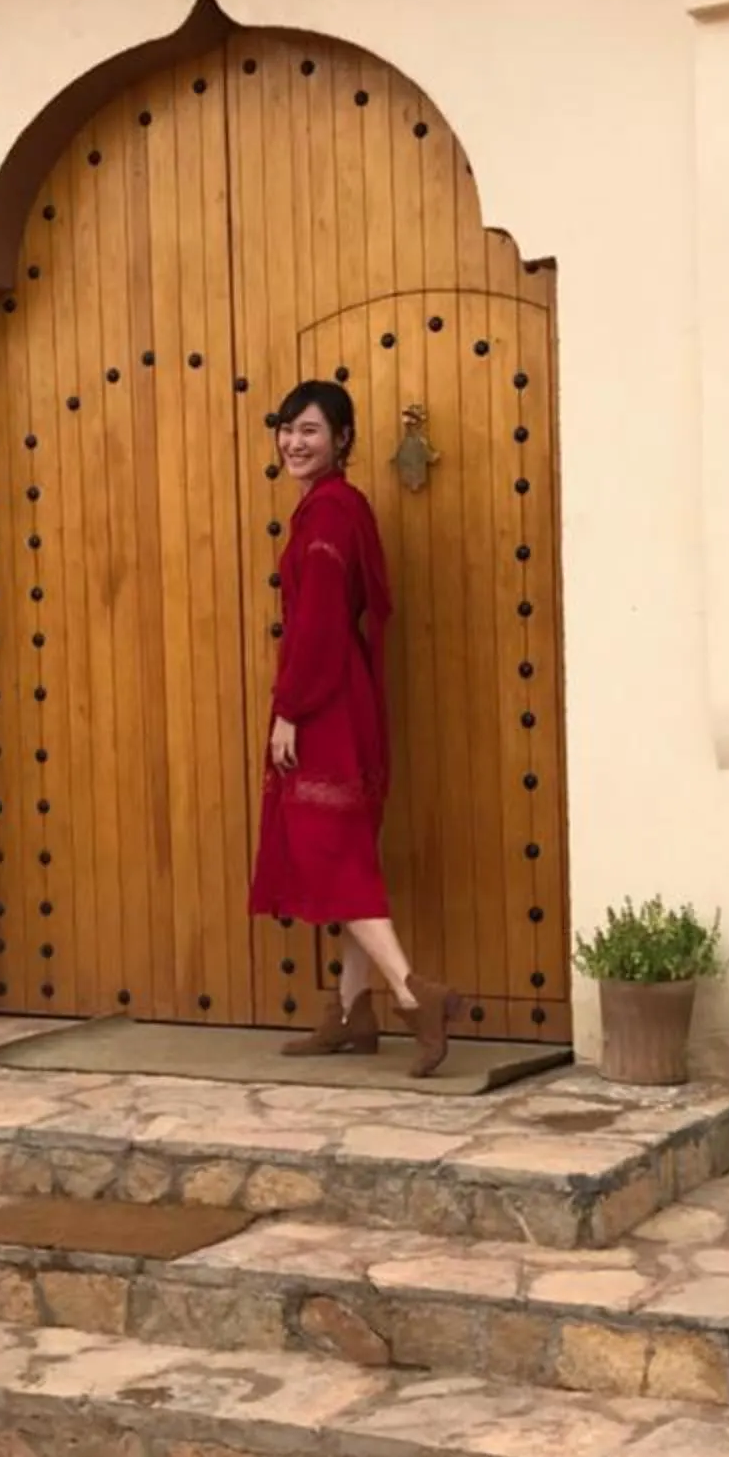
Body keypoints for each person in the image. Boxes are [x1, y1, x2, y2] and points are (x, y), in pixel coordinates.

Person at [248, 378, 458, 1075]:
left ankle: (410, 992)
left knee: (334, 860)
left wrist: (289, 709)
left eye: (310, 430)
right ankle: (349, 1012)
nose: (293, 441)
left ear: (343, 440)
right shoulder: (341, 507)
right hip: (348, 700)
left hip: (326, 707)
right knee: (346, 854)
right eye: (287, 428)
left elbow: (317, 627)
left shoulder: (330, 513)